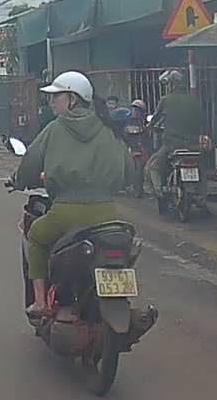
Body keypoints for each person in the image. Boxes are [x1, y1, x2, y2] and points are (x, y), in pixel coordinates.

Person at [12, 72, 133, 318]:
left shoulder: (55, 129)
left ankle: (40, 302)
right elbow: (130, 172)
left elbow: (30, 163)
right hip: (107, 215)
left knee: (35, 236)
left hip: (65, 213)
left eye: (57, 97)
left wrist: (19, 180)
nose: (52, 102)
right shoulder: (109, 128)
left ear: (73, 99)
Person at [146, 69, 205, 196]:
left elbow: (155, 119)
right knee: (201, 168)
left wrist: (149, 126)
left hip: (172, 145)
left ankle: (160, 192)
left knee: (154, 166)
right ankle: (202, 196)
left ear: (171, 85)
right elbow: (202, 121)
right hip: (193, 145)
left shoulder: (165, 100)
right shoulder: (194, 100)